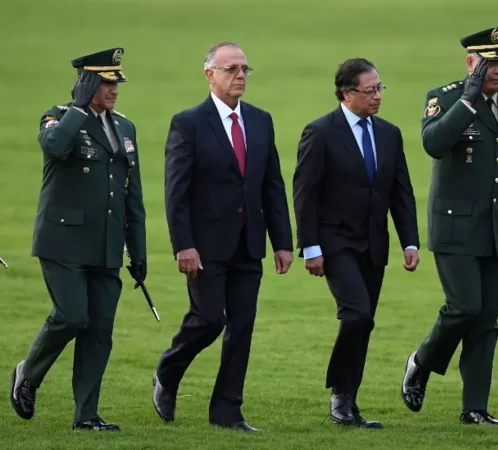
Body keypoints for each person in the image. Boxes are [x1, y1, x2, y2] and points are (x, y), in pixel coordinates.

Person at [154, 42, 294, 432]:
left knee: (243, 326)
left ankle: (227, 411)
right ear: (209, 74)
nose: (240, 76)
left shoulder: (261, 120)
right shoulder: (188, 123)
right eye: (231, 68)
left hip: (250, 243)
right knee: (209, 319)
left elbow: (272, 185)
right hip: (204, 245)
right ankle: (168, 371)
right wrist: (184, 243)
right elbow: (175, 191)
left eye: (245, 69)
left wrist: (282, 242)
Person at [400, 27, 498, 426]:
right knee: (464, 307)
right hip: (455, 229)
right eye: (490, 63)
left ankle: (474, 407)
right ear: (471, 63)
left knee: (486, 321)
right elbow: (434, 143)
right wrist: (468, 99)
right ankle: (421, 362)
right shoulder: (444, 97)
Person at [10, 48, 147, 431]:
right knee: (72, 316)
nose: (114, 89)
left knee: (99, 332)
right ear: (86, 83)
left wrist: (138, 251)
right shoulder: (59, 117)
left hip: (105, 247)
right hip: (63, 242)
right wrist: (78, 107)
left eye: (116, 81)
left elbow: (130, 195)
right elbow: (53, 148)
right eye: (105, 82)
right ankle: (28, 373)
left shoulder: (125, 127)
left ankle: (86, 416)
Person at [293, 57, 420, 428]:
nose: (378, 96)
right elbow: (305, 194)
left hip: (373, 245)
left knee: (365, 322)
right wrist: (311, 247)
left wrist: (409, 242)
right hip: (335, 243)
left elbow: (401, 192)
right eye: (370, 91)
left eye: (380, 88)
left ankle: (349, 400)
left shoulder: (389, 133)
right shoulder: (320, 132)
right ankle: (340, 397)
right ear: (348, 95)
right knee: (356, 314)